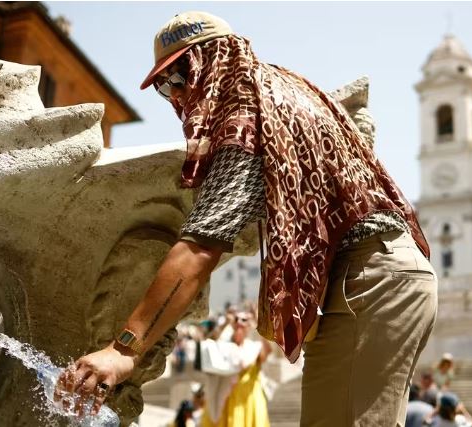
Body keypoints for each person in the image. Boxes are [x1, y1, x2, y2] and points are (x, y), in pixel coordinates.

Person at [54, 10, 436, 426]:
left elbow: (202, 245)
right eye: (163, 88)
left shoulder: (245, 109)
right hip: (374, 279)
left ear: (215, 60)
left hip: (369, 282)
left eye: (179, 78)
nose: (176, 96)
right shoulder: (287, 87)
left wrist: (123, 349)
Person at [198, 312, 271, 427]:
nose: (239, 322)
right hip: (227, 397)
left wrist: (259, 323)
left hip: (249, 401)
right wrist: (224, 323)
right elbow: (208, 344)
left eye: (244, 320)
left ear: (249, 325)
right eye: (236, 319)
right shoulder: (224, 348)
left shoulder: (253, 348)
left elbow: (266, 353)